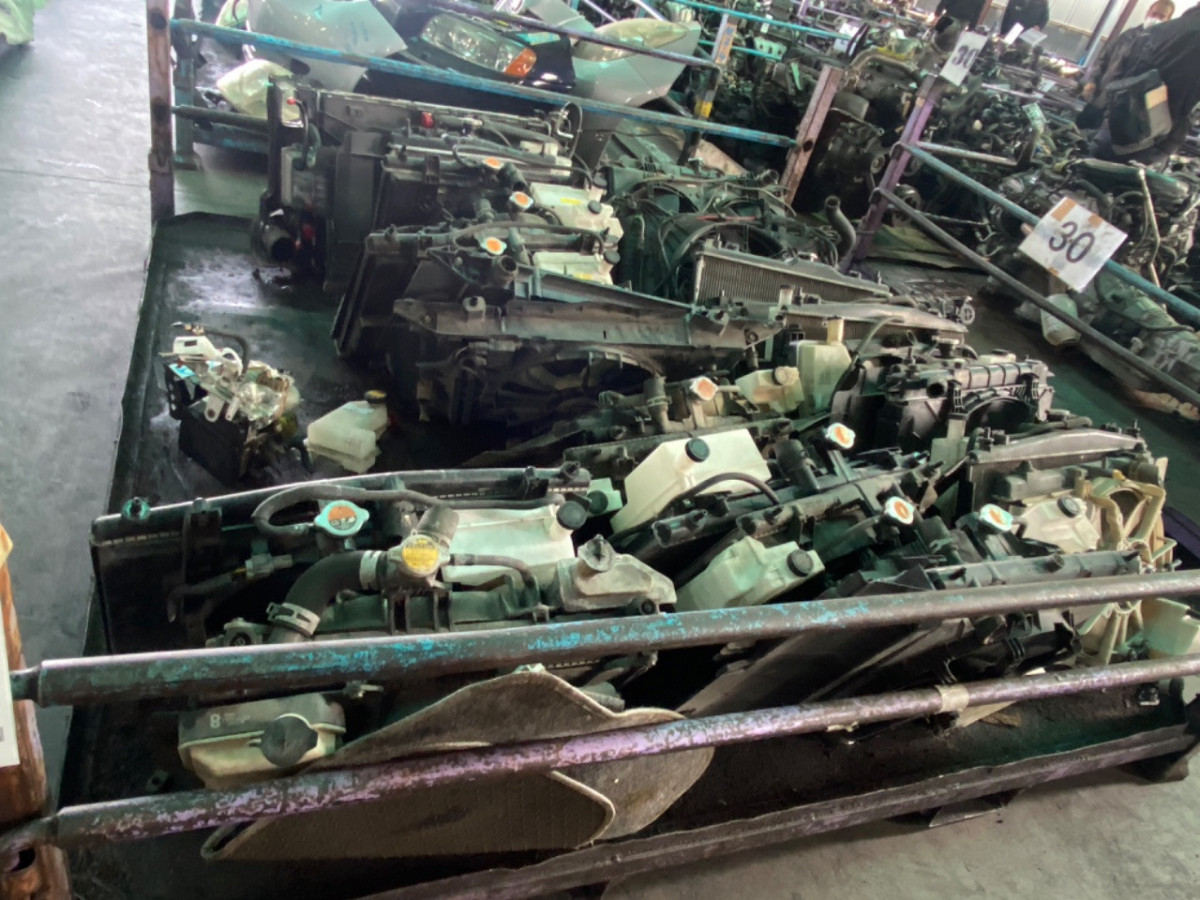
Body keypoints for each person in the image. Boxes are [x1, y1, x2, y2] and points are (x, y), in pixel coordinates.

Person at [1091, 4, 1200, 164]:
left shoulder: (1159, 30)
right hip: (1157, 134)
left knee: (1089, 167)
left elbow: (1124, 71)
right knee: (1125, 175)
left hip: (1120, 120)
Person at [1079, 0, 1174, 116]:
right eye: (1154, 14)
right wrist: (1092, 81)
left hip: (1126, 110)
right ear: (1148, 12)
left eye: (1161, 16)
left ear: (1168, 20)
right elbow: (1103, 59)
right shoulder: (1128, 35)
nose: (1155, 19)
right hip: (1101, 98)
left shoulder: (1162, 47)